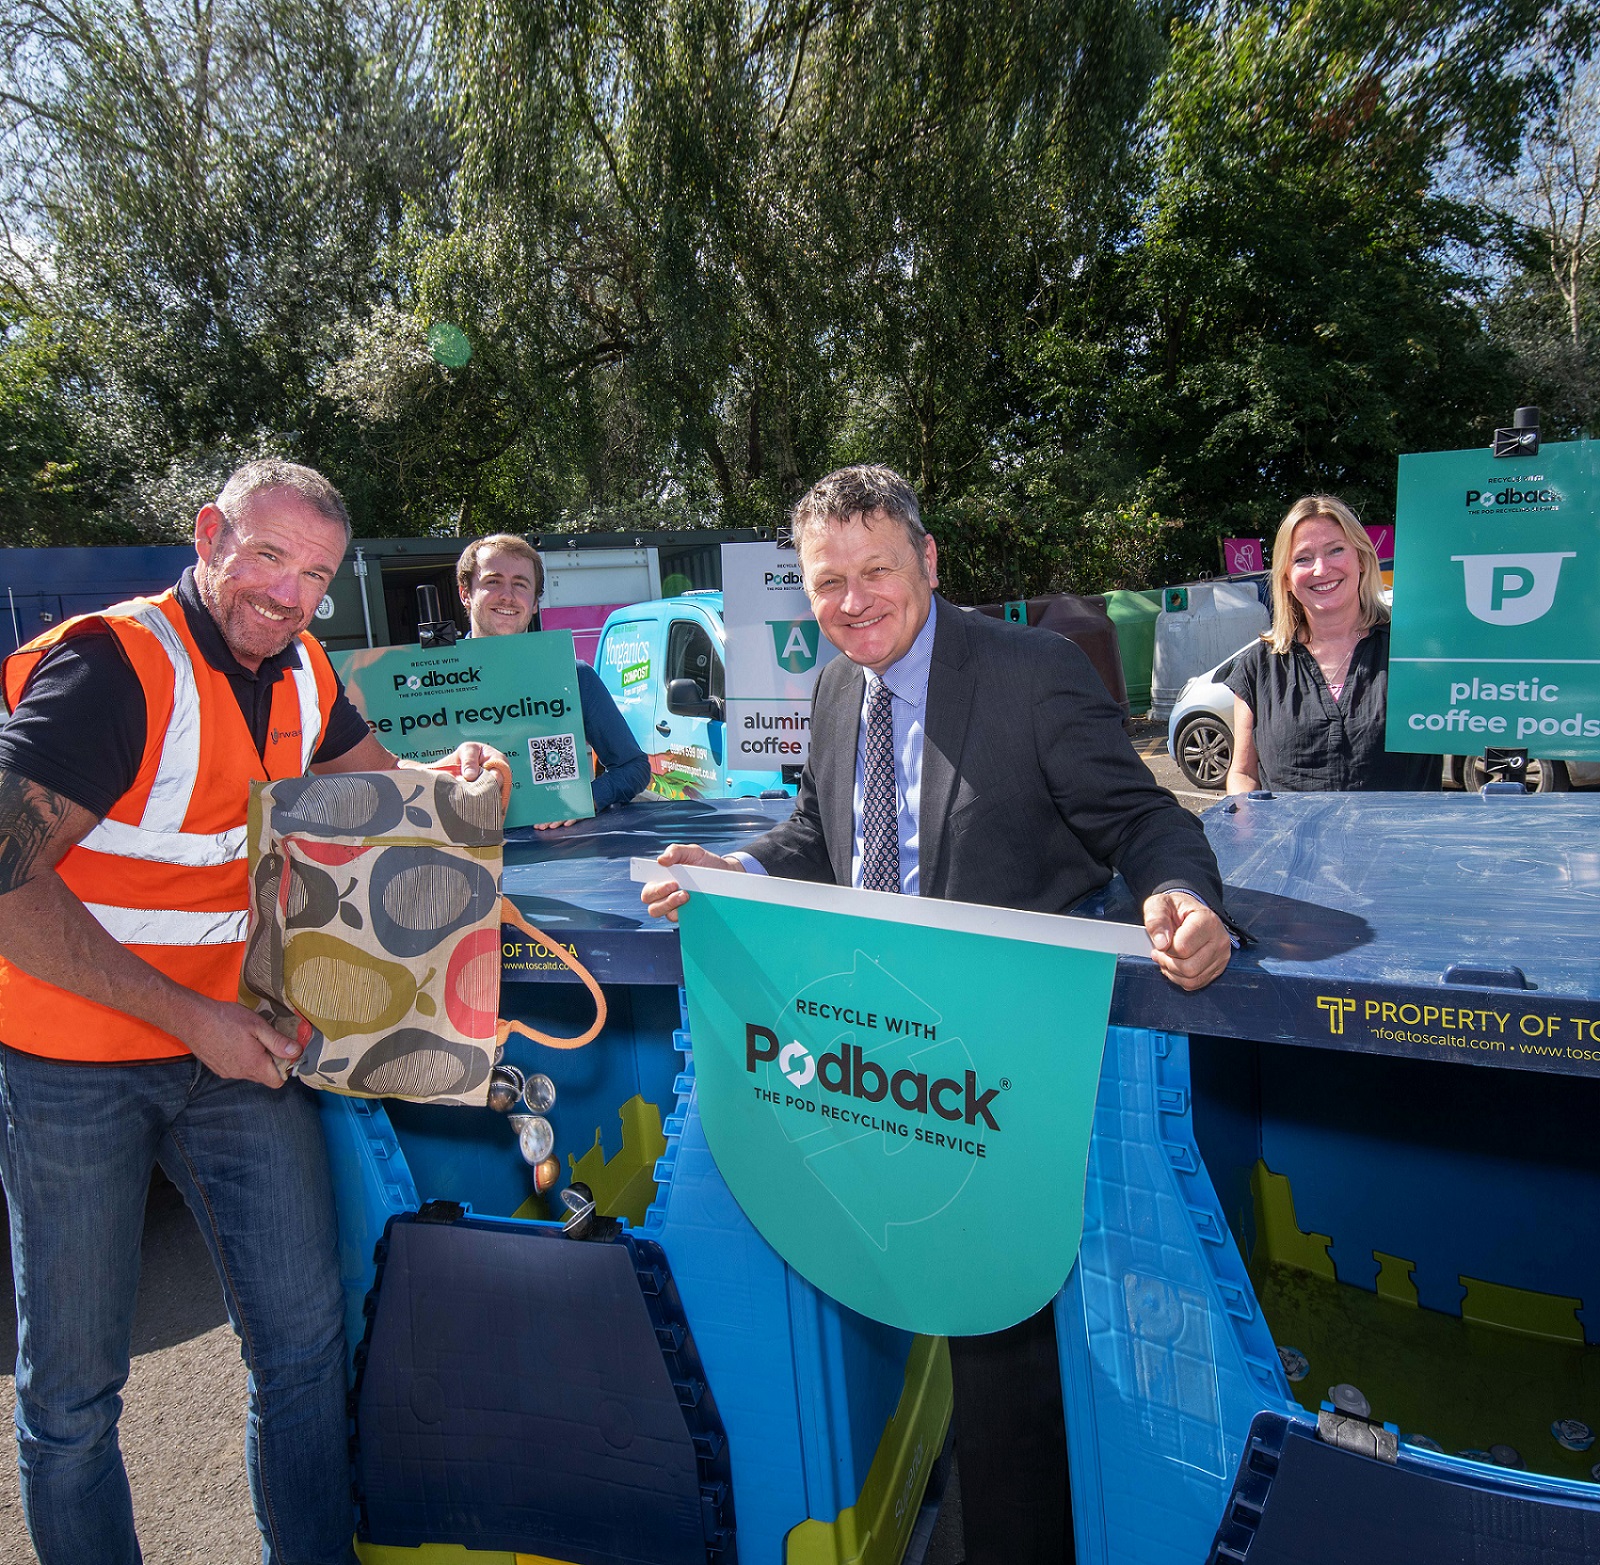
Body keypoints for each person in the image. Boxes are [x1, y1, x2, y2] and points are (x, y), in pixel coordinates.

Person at [641, 463, 1234, 1565]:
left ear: (928, 562)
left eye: (876, 571)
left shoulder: (1031, 672)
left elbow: (1143, 817)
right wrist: (731, 870)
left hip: (1002, 1072)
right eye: (828, 582)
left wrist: (1183, 896)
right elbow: (818, 842)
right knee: (919, 1297)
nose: (852, 600)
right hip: (881, 1065)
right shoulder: (831, 687)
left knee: (1006, 1350)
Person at [0, 460, 503, 1565]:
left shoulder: (304, 667)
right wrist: (190, 1015)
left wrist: (453, 772)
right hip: (73, 1059)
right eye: (268, 557)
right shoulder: (112, 667)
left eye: (315, 575)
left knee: (306, 1346)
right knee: (74, 1392)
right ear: (207, 535)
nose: (288, 594)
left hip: (228, 1050)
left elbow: (384, 791)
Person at [1225, 495, 1441, 794]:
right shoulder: (1258, 667)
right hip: (1293, 840)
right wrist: (1248, 826)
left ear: (1361, 560)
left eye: (1336, 550)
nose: (1321, 569)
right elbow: (1244, 774)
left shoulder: (1415, 652)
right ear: (1286, 578)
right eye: (1302, 558)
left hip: (1400, 840)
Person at [456, 534, 651, 825]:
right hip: (461, 852)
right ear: (466, 594)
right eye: (493, 581)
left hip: (554, 855)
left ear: (535, 602)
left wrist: (585, 799)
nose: (507, 596)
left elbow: (634, 767)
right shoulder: (428, 684)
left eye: (520, 584)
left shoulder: (572, 676)